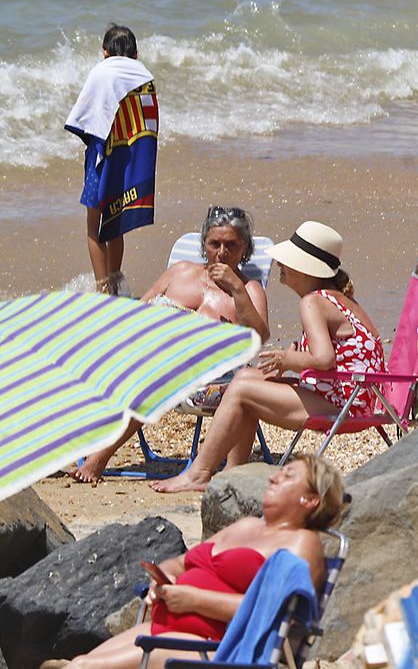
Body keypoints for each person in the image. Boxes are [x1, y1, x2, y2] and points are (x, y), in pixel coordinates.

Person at [152, 222, 386, 493]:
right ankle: (234, 472)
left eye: (286, 262)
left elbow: (324, 360)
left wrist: (288, 360)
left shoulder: (313, 301)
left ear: (304, 268)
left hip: (344, 406)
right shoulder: (338, 299)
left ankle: (199, 474)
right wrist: (289, 364)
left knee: (242, 390)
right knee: (249, 377)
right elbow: (340, 360)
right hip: (360, 399)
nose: (280, 266)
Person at [64, 454, 341, 669]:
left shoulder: (302, 542)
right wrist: (164, 578)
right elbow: (181, 563)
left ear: (310, 499)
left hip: (213, 648)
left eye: (288, 475)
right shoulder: (244, 526)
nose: (273, 478)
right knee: (77, 663)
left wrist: (194, 599)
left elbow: (277, 614)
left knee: (84, 667)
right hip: (165, 630)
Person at [71, 206, 270, 483]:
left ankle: (99, 458)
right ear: (204, 244)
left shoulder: (249, 289)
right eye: (215, 244)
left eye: (231, 245)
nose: (222, 253)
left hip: (210, 384)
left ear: (244, 248)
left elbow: (259, 338)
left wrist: (235, 289)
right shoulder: (179, 273)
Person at [64, 25, 159, 295]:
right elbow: (147, 126)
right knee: (115, 222)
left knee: (93, 226)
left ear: (104, 52)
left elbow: (86, 117)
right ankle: (115, 285)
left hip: (100, 159)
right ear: (136, 54)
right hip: (128, 160)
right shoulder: (145, 78)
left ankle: (101, 288)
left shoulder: (100, 72)